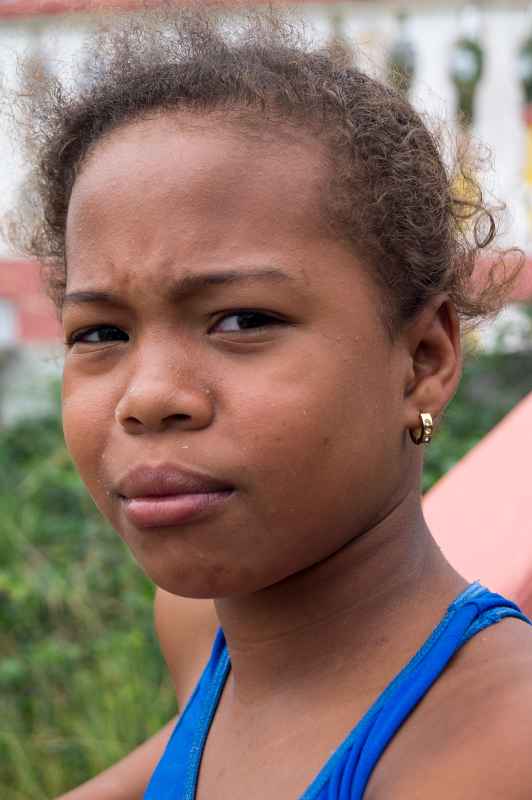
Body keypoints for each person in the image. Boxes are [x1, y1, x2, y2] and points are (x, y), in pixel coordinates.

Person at [10, 6, 532, 799]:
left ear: (423, 361)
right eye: (101, 333)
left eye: (243, 321)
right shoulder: (207, 634)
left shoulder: (497, 744)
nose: (148, 397)